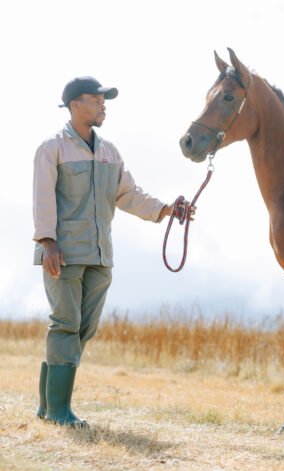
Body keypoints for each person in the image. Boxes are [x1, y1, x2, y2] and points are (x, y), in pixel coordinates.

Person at [32, 76, 190, 427]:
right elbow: (42, 196)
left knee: (83, 329)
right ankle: (58, 411)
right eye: (96, 99)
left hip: (101, 256)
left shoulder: (110, 152)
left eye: (104, 100)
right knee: (65, 325)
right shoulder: (52, 148)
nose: (103, 105)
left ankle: (47, 406)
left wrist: (166, 209)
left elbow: (128, 195)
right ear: (75, 104)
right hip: (63, 253)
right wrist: (48, 243)